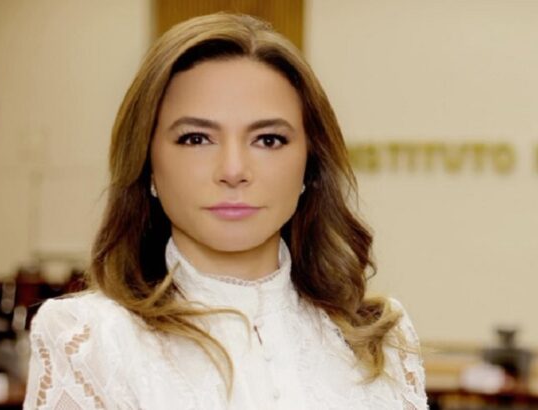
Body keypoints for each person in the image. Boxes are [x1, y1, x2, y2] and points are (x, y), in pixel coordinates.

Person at [23, 13, 427, 410]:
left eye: (268, 140)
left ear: (311, 164)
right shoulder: (89, 338)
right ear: (146, 163)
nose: (233, 171)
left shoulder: (379, 335)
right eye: (196, 139)